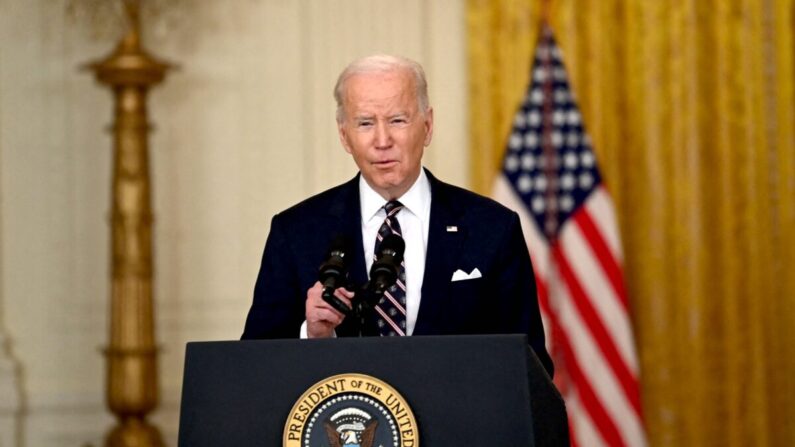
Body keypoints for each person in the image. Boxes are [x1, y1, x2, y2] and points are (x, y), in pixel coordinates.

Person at [241, 54, 553, 376]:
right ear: (344, 135)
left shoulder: (492, 228)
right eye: (365, 123)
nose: (382, 141)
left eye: (397, 120)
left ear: (427, 126)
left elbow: (530, 366)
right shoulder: (296, 232)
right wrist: (314, 335)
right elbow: (254, 369)